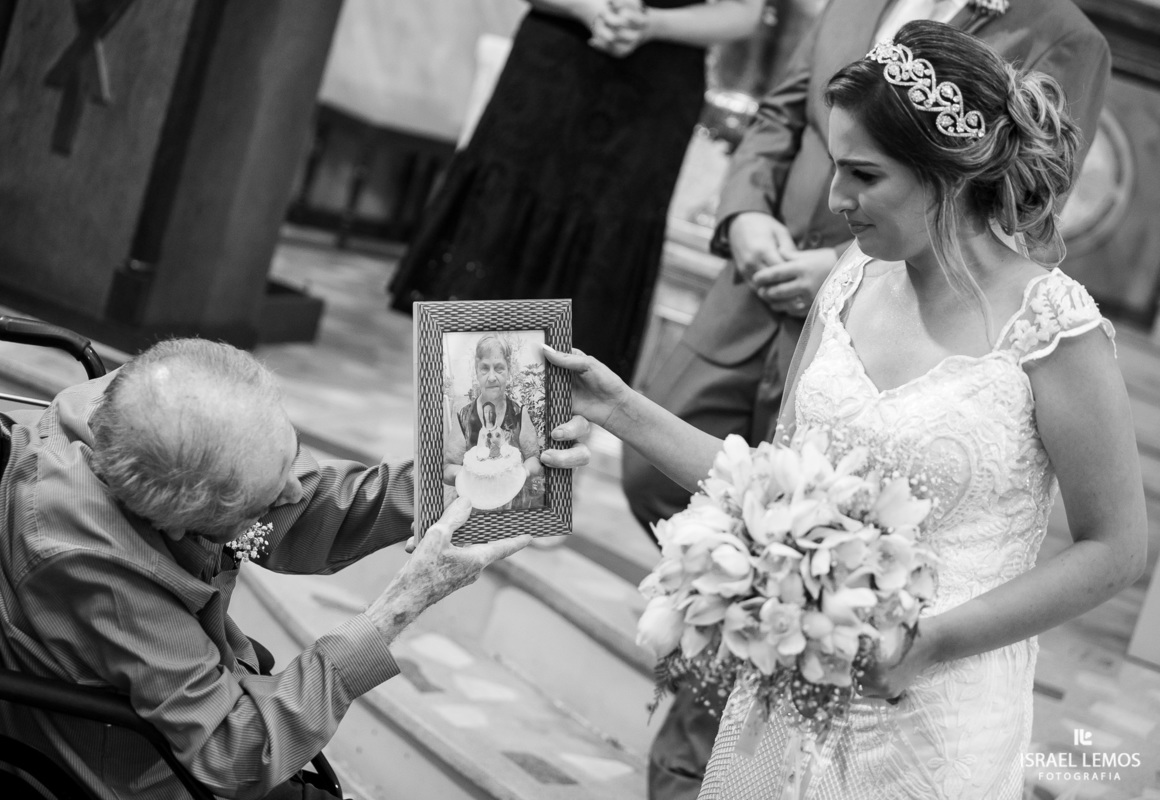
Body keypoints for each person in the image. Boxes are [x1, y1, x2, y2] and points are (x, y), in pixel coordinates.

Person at [546, 19, 1147, 797]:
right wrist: (616, 404)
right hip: (792, 695)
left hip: (937, 712)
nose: (836, 200)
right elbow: (771, 486)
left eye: (864, 175)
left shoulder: (1052, 327)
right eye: (835, 167)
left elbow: (1116, 549)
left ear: (949, 172)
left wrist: (932, 642)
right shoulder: (850, 281)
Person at [0, 338, 591, 800]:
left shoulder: (151, 403)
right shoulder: (94, 564)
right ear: (183, 524)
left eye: (289, 456)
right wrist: (401, 604)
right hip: (130, 771)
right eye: (268, 495)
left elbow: (291, 509)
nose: (292, 489)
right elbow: (234, 753)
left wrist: (438, 474)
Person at [388, 0, 765, 381]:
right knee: (493, 264)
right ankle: (468, 429)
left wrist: (651, 24)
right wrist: (591, 10)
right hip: (557, 59)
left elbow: (745, 11)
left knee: (592, 286)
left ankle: (547, 432)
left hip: (657, 86)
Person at [445, 334, 543, 511]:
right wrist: (473, 473)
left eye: (499, 369)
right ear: (476, 370)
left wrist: (520, 472)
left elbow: (534, 460)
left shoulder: (519, 413)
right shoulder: (464, 416)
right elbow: (448, 468)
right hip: (474, 511)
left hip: (513, 508)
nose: (491, 377)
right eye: (485, 369)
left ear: (509, 370)